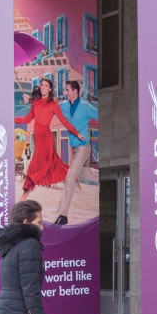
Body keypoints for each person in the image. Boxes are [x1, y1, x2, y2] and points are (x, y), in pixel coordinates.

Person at [15, 78, 83, 198]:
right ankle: (73, 177)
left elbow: (64, 121)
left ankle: (23, 197)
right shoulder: (35, 103)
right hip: (38, 138)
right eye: (42, 85)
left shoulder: (53, 104)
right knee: (56, 165)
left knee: (36, 167)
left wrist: (76, 133)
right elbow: (27, 119)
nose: (43, 87)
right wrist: (13, 118)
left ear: (50, 89)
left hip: (46, 139)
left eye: (46, 85)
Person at [54, 80, 97, 225]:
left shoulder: (86, 107)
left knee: (70, 178)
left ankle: (62, 215)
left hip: (84, 147)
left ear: (75, 91)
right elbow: (51, 106)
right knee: (87, 175)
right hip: (75, 148)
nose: (65, 93)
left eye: (67, 90)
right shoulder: (65, 105)